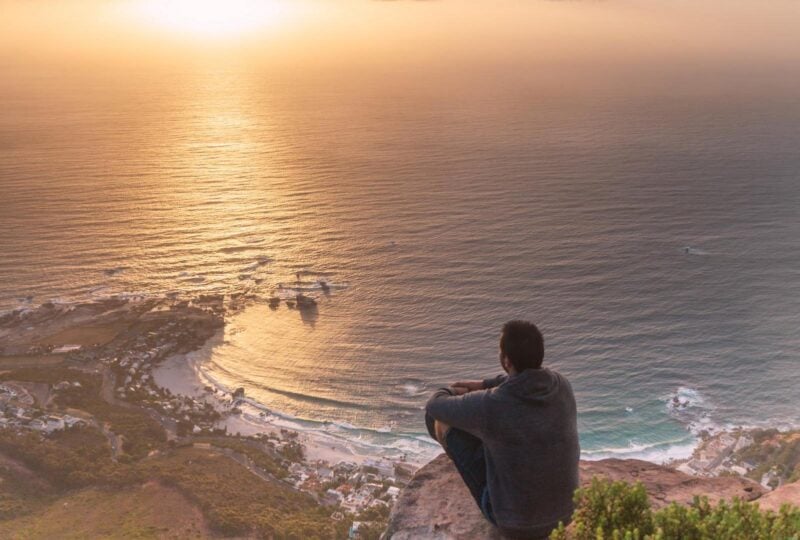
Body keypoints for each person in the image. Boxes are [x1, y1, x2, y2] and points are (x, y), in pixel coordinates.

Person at [425, 320, 579, 539]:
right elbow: (522, 380)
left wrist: (450, 390)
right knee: (499, 433)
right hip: (565, 514)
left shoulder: (493, 404)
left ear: (505, 360)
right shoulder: (562, 385)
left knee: (439, 420)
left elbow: (434, 406)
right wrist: (485, 383)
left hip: (514, 524)